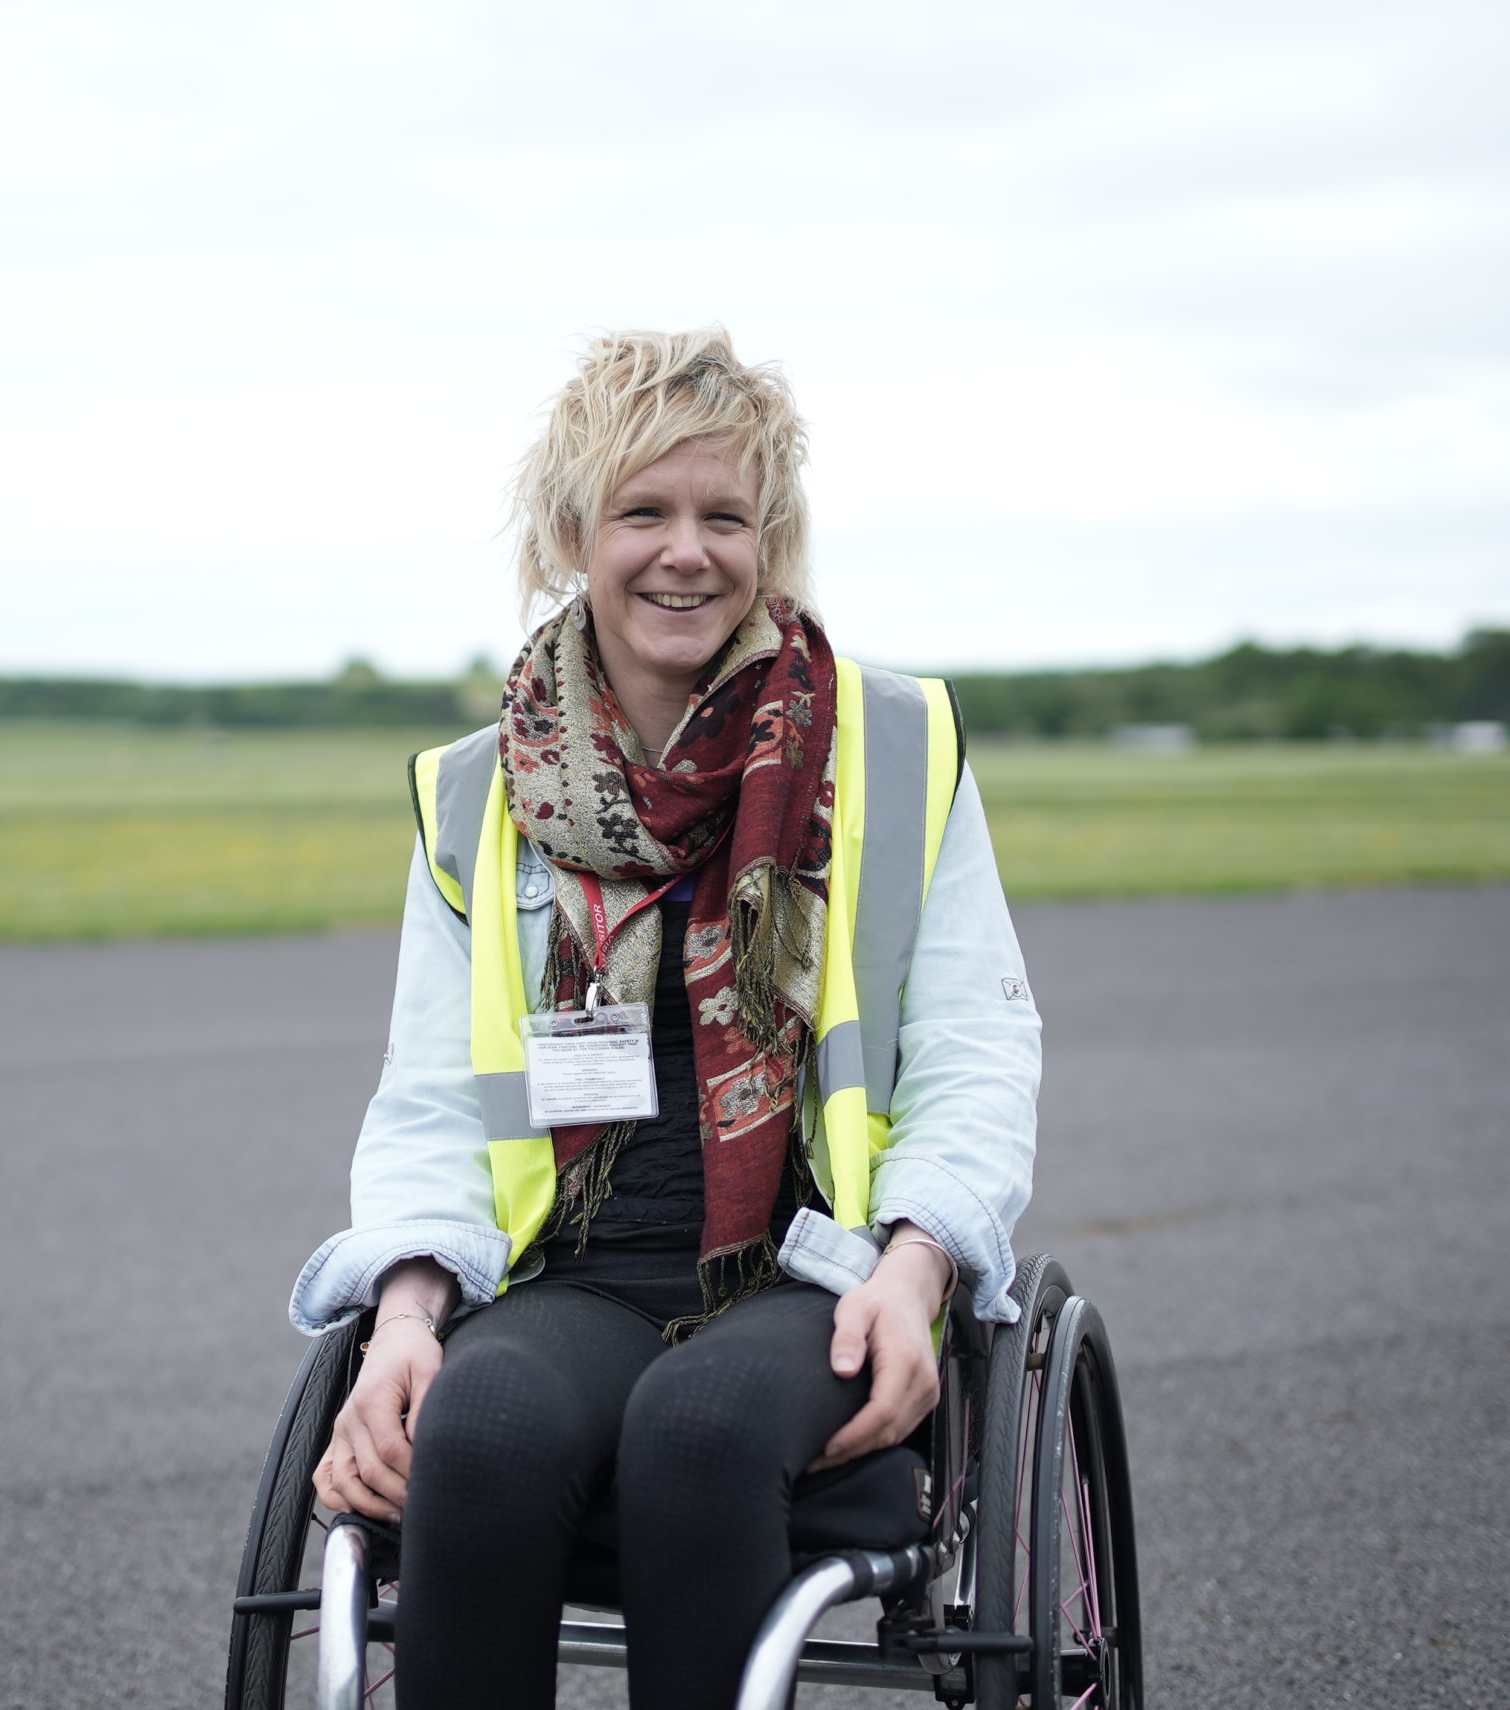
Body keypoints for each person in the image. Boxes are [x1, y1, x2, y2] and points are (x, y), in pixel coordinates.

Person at [288, 327, 1040, 1710]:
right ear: (575, 531)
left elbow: (975, 1053)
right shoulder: (477, 794)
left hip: (815, 1266)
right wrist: (404, 1311)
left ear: (772, 541)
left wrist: (919, 1268)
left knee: (691, 1431)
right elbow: (442, 1094)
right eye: (644, 511)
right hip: (577, 1266)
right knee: (485, 1424)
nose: (684, 551)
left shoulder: (893, 743)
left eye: (725, 516)